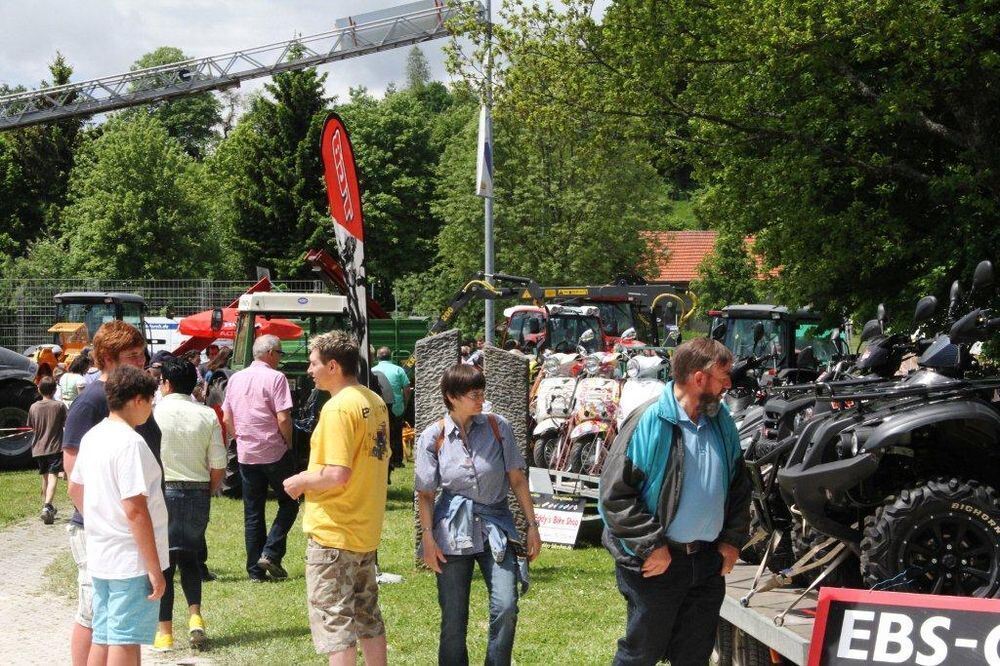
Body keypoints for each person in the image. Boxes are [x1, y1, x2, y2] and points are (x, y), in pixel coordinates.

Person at [599, 337, 751, 666]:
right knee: (641, 654)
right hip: (657, 564)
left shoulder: (721, 420)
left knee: (694, 657)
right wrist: (652, 545)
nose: (728, 384)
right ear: (699, 378)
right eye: (723, 376)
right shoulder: (649, 421)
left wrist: (731, 540)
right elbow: (615, 496)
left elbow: (740, 484)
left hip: (707, 564)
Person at [415, 363, 542, 666]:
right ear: (452, 396)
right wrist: (428, 538)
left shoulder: (499, 427)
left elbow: (517, 479)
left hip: (496, 525)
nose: (480, 398)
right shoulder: (434, 436)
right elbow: (426, 494)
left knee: (506, 605)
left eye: (482, 391)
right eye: (474, 393)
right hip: (451, 530)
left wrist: (532, 525)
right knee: (454, 618)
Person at [282, 331, 391, 666]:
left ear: (332, 366)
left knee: (336, 625)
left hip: (333, 533)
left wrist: (299, 480)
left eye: (314, 363)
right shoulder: (373, 401)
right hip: (364, 530)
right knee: (368, 617)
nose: (309, 370)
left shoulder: (337, 408)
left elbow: (336, 473)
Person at [62, 321, 162, 666]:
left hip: (117, 536)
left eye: (141, 354)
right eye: (131, 355)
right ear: (106, 358)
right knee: (100, 621)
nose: (140, 360)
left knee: (107, 628)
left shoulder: (122, 409)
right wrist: (106, 523)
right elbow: (74, 477)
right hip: (114, 537)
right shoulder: (92, 402)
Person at [152, 358, 227, 652]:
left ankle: (165, 633)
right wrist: (206, 490)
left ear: (166, 383)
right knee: (191, 557)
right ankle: (195, 616)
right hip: (197, 491)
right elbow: (219, 464)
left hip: (163, 491)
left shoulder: (153, 415)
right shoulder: (207, 415)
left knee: (164, 563)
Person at [222, 333, 297, 582]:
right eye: (279, 354)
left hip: (246, 454)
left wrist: (240, 438)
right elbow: (284, 418)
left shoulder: (235, 379)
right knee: (290, 501)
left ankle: (255, 571)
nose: (279, 360)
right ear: (271, 353)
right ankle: (271, 553)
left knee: (253, 512)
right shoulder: (276, 378)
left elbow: (226, 418)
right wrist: (288, 443)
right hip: (274, 451)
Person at [28, 376, 67, 524]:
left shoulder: (33, 407)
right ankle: (47, 505)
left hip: (38, 447)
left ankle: (47, 506)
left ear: (39, 389)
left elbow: (31, 426)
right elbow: (65, 423)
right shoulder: (59, 406)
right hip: (55, 446)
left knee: (44, 477)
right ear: (55, 390)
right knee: (53, 476)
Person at [372, 347, 411, 472]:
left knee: (381, 432)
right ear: (391, 356)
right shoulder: (398, 369)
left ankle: (382, 457)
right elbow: (406, 388)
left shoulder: (373, 370)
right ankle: (397, 460)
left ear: (377, 357)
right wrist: (405, 403)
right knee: (396, 433)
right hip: (396, 406)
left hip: (378, 407)